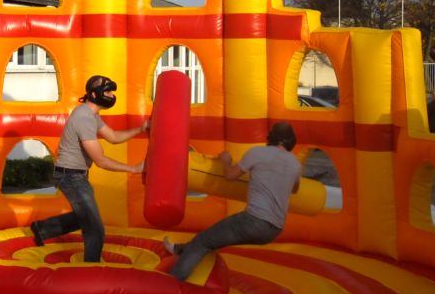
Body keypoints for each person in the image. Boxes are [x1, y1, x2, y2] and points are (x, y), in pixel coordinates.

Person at [29, 75, 148, 262]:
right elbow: (100, 160)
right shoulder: (84, 117)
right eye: (107, 91)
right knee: (95, 228)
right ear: (94, 94)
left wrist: (141, 129)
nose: (111, 95)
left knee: (84, 217)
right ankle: (91, 270)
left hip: (75, 175)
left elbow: (113, 137)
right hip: (70, 176)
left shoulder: (91, 115)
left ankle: (42, 229)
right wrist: (134, 169)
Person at [165, 121, 302, 281]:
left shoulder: (258, 153)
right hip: (274, 230)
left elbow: (230, 176)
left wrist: (226, 160)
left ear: (271, 137)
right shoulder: (295, 164)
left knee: (203, 241)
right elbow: (294, 189)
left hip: (253, 221)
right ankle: (178, 249)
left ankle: (172, 282)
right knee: (212, 238)